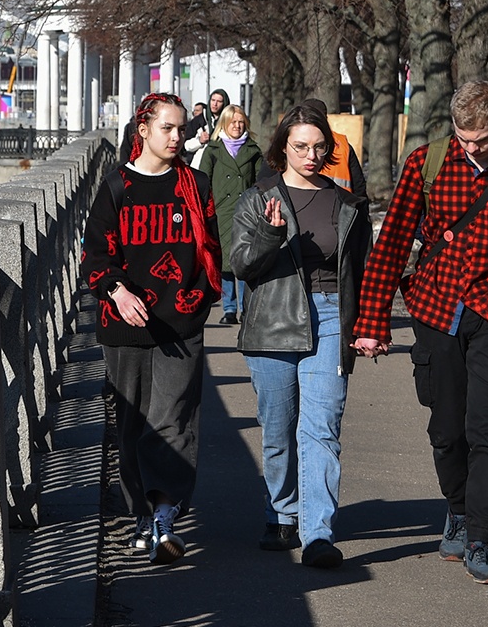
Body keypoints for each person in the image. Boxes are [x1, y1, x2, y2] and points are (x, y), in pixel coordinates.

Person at [350, 80, 488, 585]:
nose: (471, 148)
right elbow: (394, 242)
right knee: (446, 430)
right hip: (435, 307)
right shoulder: (428, 162)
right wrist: (372, 322)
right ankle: (458, 510)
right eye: (463, 138)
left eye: (481, 139)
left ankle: (482, 539)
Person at [82, 92, 222, 565]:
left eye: (182, 129)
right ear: (143, 130)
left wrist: (197, 300)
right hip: (124, 325)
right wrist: (117, 292)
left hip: (180, 324)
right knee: (132, 424)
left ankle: (165, 516)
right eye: (168, 128)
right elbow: (95, 255)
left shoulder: (196, 186)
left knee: (175, 418)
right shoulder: (117, 186)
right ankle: (142, 515)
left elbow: (211, 252)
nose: (177, 137)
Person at [231, 102, 372, 569]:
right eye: (300, 147)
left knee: (322, 428)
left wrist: (369, 325)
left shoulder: (347, 204)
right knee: (277, 428)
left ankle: (317, 533)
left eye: (318, 147)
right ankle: (283, 512)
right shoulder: (259, 196)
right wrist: (272, 236)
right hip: (273, 318)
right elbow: (243, 265)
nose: (310, 155)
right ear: (282, 148)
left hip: (331, 316)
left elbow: (364, 273)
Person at [198, 103, 262, 325]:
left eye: (241, 121)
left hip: (246, 213)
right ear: (224, 123)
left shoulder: (253, 151)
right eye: (233, 121)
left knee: (244, 263)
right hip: (221, 213)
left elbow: (260, 183)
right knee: (225, 264)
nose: (237, 125)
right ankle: (229, 309)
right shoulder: (213, 150)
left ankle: (246, 309)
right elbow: (203, 182)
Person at [256, 98, 367, 200]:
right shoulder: (343, 145)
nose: (312, 156)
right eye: (300, 146)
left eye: (319, 147)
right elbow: (359, 188)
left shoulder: (342, 145)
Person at [185, 88, 230, 167]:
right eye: (213, 100)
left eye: (219, 101)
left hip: (221, 166)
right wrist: (200, 141)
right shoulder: (199, 120)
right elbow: (186, 145)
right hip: (200, 166)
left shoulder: (229, 122)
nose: (215, 104)